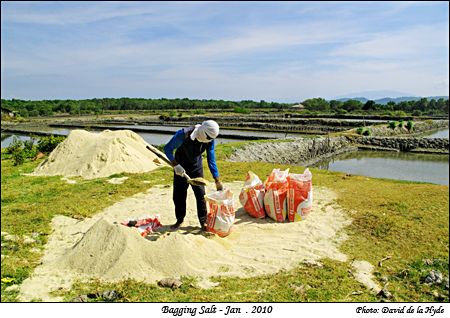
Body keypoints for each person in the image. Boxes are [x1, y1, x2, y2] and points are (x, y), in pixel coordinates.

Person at [164, 120, 223, 231]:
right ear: (203, 132)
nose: (210, 141)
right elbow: (167, 149)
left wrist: (217, 179)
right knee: (179, 195)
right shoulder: (183, 134)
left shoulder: (210, 139)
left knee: (201, 195)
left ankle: (203, 221)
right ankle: (179, 220)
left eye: (211, 139)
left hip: (196, 167)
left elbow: (211, 159)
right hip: (180, 166)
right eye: (209, 138)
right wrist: (176, 165)